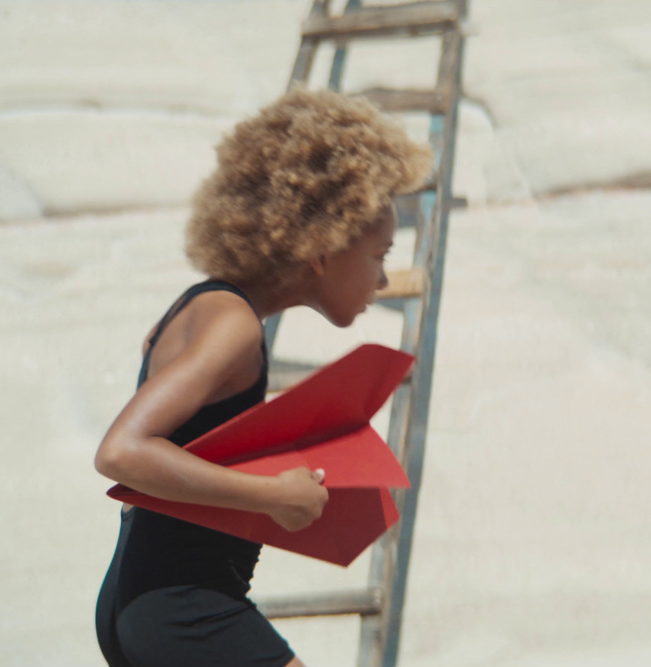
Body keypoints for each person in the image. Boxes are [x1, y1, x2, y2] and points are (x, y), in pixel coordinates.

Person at [92, 89, 431, 667]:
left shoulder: (202, 308)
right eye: (380, 255)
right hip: (185, 607)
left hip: (144, 600)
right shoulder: (233, 324)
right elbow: (122, 453)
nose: (382, 280)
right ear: (324, 248)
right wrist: (272, 495)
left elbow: (151, 482)